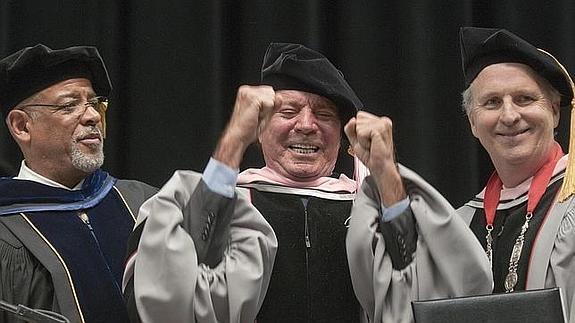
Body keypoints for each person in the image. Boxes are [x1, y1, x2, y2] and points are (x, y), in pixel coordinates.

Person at [345, 26, 575, 322]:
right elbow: (408, 303)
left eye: (525, 99)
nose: (509, 115)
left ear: (555, 111)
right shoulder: (462, 223)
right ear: (473, 123)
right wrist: (386, 173)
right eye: (491, 102)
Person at [124, 43, 364, 322]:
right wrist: (234, 141)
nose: (307, 125)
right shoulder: (223, 202)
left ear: (341, 135)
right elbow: (167, 289)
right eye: (288, 112)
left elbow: (412, 290)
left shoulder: (362, 211)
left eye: (324, 115)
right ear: (259, 129)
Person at [0, 44, 157, 323]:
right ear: (21, 126)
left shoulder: (142, 202)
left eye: (95, 103)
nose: (93, 116)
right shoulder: (6, 230)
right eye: (69, 105)